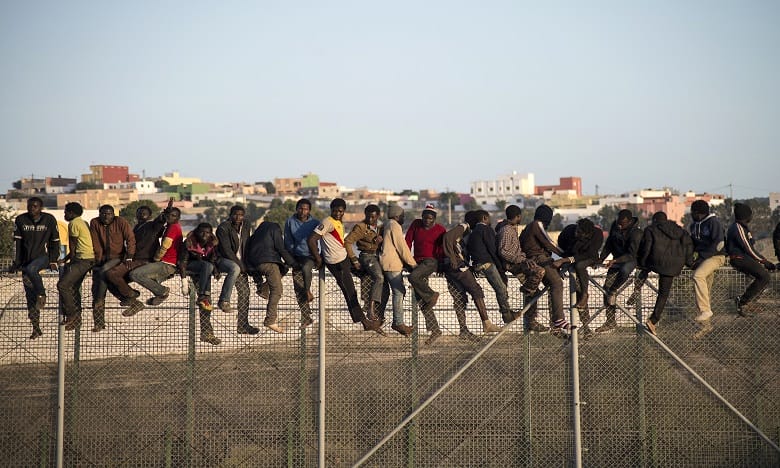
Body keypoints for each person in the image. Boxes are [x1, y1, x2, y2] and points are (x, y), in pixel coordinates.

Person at [308, 198, 381, 333]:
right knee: (350, 292)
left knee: (367, 273)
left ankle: (367, 304)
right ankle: (365, 322)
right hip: (337, 263)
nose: (337, 214)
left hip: (344, 258)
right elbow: (312, 240)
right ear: (331, 210)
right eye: (335, 211)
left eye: (340, 211)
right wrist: (318, 259)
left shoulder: (338, 222)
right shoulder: (327, 222)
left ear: (344, 212)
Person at [442, 211, 501, 339]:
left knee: (459, 297)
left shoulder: (469, 233)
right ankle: (486, 323)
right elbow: (447, 238)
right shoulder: (463, 227)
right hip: (457, 265)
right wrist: (452, 258)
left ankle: (463, 330)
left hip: (452, 266)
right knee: (476, 290)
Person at [10, 197, 60, 339]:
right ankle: (36, 328)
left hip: (43, 258)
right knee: (30, 298)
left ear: (41, 207)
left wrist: (53, 259)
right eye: (30, 206)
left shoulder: (49, 219)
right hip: (26, 261)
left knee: (33, 269)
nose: (32, 208)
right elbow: (17, 244)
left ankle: (42, 294)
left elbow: (55, 241)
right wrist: (16, 262)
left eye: (35, 206)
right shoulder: (21, 220)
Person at [109, 201, 170, 317]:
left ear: (150, 216)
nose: (142, 215)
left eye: (145, 213)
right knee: (110, 281)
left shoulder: (152, 226)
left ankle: (132, 295)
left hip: (144, 261)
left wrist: (166, 212)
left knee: (112, 274)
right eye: (139, 213)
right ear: (136, 215)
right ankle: (133, 301)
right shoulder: (136, 228)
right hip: (134, 260)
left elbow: (160, 221)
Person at [519, 204, 571, 336]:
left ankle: (555, 323)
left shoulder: (527, 228)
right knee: (557, 283)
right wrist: (566, 255)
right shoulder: (537, 224)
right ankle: (558, 320)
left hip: (533, 261)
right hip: (540, 259)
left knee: (551, 288)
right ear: (546, 217)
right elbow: (549, 243)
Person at [638, 212, 693, 335]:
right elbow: (688, 246)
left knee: (644, 270)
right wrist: (690, 263)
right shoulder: (680, 230)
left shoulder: (651, 229)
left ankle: (636, 290)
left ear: (655, 220)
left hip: (656, 261)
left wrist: (642, 263)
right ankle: (653, 320)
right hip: (674, 265)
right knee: (663, 294)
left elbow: (647, 248)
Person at [495, 204, 546, 326]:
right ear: (518, 216)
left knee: (534, 292)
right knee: (540, 271)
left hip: (518, 262)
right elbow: (503, 251)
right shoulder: (507, 230)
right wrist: (521, 260)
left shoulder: (511, 228)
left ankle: (531, 320)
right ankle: (526, 289)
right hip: (513, 264)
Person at [246, 220, 298, 333]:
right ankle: (270, 320)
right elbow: (280, 248)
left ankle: (263, 290)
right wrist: (294, 263)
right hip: (269, 263)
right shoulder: (275, 228)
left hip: (256, 265)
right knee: (277, 291)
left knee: (282, 269)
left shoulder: (256, 234)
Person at [89, 204, 135, 332]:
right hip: (101, 260)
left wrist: (129, 256)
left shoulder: (121, 222)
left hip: (117, 258)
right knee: (98, 292)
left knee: (104, 272)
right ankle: (99, 323)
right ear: (99, 214)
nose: (106, 216)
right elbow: (95, 242)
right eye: (103, 213)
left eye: (109, 213)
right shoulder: (94, 223)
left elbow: (130, 238)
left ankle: (130, 295)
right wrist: (96, 260)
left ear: (113, 214)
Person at [405, 203, 446, 344]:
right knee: (422, 300)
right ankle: (435, 330)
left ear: (434, 219)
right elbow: (407, 242)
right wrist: (407, 260)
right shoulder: (416, 224)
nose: (427, 221)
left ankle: (432, 294)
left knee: (413, 277)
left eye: (430, 218)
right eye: (425, 218)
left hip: (431, 262)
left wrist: (440, 266)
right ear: (421, 217)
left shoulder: (440, 230)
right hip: (417, 263)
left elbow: (442, 249)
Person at [596, 209, 642, 333]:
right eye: (618, 223)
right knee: (605, 288)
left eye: (623, 223)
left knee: (625, 270)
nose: (620, 225)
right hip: (616, 260)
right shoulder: (615, 227)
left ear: (630, 221)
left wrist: (615, 260)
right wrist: (601, 258)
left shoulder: (636, 233)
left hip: (630, 259)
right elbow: (609, 245)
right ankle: (610, 321)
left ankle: (614, 289)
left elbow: (632, 254)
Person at [216, 205, 259, 334]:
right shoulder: (223, 228)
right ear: (230, 214)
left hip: (241, 264)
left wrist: (247, 264)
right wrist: (240, 264)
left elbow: (247, 244)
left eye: (241, 215)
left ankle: (242, 325)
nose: (238, 217)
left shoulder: (246, 226)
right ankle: (224, 300)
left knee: (245, 292)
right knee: (234, 268)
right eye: (235, 214)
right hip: (224, 260)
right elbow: (226, 250)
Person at [726, 203, 775, 316]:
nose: (751, 217)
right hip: (739, 258)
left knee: (764, 277)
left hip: (745, 258)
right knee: (764, 276)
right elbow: (748, 248)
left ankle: (748, 302)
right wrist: (764, 261)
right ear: (746, 216)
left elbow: (750, 248)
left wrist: (762, 260)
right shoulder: (737, 228)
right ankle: (743, 302)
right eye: (750, 214)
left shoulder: (743, 228)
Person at [466, 210, 511, 330]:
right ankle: (507, 314)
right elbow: (492, 249)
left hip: (477, 265)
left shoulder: (473, 232)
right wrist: (500, 266)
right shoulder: (486, 229)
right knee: (501, 288)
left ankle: (506, 312)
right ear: (485, 218)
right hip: (487, 263)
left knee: (499, 287)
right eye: (489, 218)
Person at [557, 218, 603, 335]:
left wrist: (568, 259)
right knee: (576, 293)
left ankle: (585, 295)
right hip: (572, 260)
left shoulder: (597, 234)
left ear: (587, 234)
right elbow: (563, 248)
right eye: (577, 231)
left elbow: (590, 253)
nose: (576, 234)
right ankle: (584, 327)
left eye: (580, 233)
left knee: (580, 267)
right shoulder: (569, 231)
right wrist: (566, 260)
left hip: (586, 259)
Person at [129, 208, 183, 306]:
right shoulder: (170, 226)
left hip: (166, 263)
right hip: (167, 263)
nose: (170, 217)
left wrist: (156, 259)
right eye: (168, 215)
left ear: (178, 218)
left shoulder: (173, 227)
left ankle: (162, 291)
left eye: (173, 216)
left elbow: (165, 245)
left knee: (135, 274)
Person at [178, 223, 222, 345]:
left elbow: (212, 259)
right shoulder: (189, 242)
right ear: (197, 232)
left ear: (210, 234)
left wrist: (216, 270)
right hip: (190, 268)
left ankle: (207, 333)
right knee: (205, 299)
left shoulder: (212, 243)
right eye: (202, 232)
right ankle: (203, 295)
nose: (204, 235)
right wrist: (184, 281)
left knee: (207, 303)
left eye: (207, 232)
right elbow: (182, 262)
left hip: (204, 273)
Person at [344, 204, 388, 324]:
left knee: (385, 286)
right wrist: (354, 259)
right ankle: (370, 308)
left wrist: (381, 240)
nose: (370, 220)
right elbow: (347, 242)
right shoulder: (361, 227)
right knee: (379, 277)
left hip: (379, 256)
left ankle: (380, 314)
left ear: (378, 216)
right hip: (367, 256)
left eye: (373, 217)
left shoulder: (382, 227)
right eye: (368, 217)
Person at [379, 205, 417, 337]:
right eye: (402, 216)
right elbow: (402, 247)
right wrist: (412, 264)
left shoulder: (387, 224)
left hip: (387, 263)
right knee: (399, 291)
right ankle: (398, 322)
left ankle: (381, 318)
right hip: (392, 264)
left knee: (390, 292)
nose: (404, 218)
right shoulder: (394, 225)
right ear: (396, 216)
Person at [58, 203, 96, 330]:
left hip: (83, 259)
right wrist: (66, 259)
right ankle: (76, 319)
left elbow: (73, 245)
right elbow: (77, 244)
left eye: (66, 212)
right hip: (88, 258)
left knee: (63, 285)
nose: (65, 215)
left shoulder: (73, 223)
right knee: (73, 287)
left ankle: (71, 314)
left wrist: (71, 261)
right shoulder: (82, 222)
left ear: (72, 213)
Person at [688, 200, 726, 323]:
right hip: (703, 258)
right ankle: (706, 325)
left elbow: (719, 244)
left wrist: (701, 258)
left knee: (698, 276)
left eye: (692, 212)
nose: (690, 215)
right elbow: (692, 244)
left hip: (716, 257)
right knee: (704, 291)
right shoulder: (694, 226)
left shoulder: (713, 223)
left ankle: (705, 311)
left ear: (697, 213)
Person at [284, 198, 320, 328]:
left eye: (305, 209)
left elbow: (319, 240)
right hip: (295, 257)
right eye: (300, 208)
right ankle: (306, 316)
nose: (302, 211)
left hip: (309, 256)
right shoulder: (290, 222)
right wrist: (291, 259)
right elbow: (288, 241)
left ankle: (308, 290)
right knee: (297, 287)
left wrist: (318, 257)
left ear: (309, 210)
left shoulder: (315, 223)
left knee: (306, 269)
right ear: (296, 208)